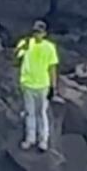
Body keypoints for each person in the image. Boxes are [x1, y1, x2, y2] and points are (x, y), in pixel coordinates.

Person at [14, 20, 59, 151]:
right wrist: (21, 48)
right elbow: (15, 58)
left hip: (42, 85)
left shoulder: (50, 47)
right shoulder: (26, 43)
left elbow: (52, 68)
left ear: (44, 33)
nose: (36, 34)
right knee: (29, 112)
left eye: (39, 32)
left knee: (41, 113)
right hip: (27, 84)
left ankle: (43, 140)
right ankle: (30, 139)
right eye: (35, 31)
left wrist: (53, 87)